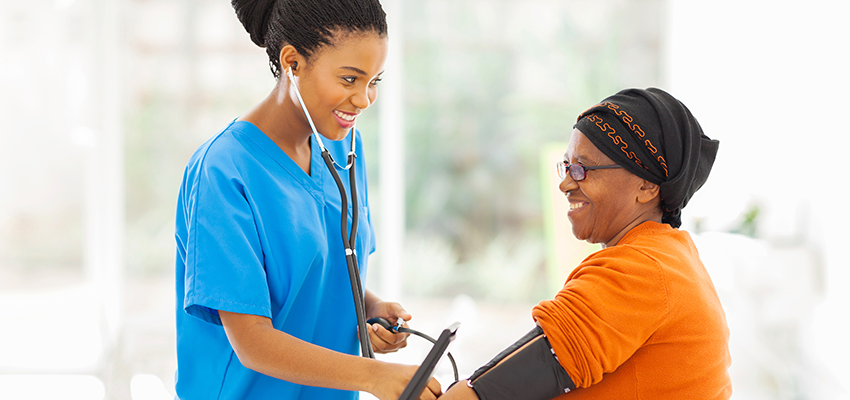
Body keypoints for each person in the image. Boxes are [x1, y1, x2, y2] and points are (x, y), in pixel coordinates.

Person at [173, 1, 441, 399]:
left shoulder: (345, 146)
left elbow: (322, 271)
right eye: (350, 79)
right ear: (292, 62)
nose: (364, 99)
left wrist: (369, 307)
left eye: (374, 81)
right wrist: (373, 376)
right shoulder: (223, 171)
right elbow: (252, 341)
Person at [440, 87, 732, 399]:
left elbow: (484, 394)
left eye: (582, 170)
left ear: (647, 185)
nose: (565, 183)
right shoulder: (669, 255)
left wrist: (385, 378)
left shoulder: (641, 270)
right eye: (566, 167)